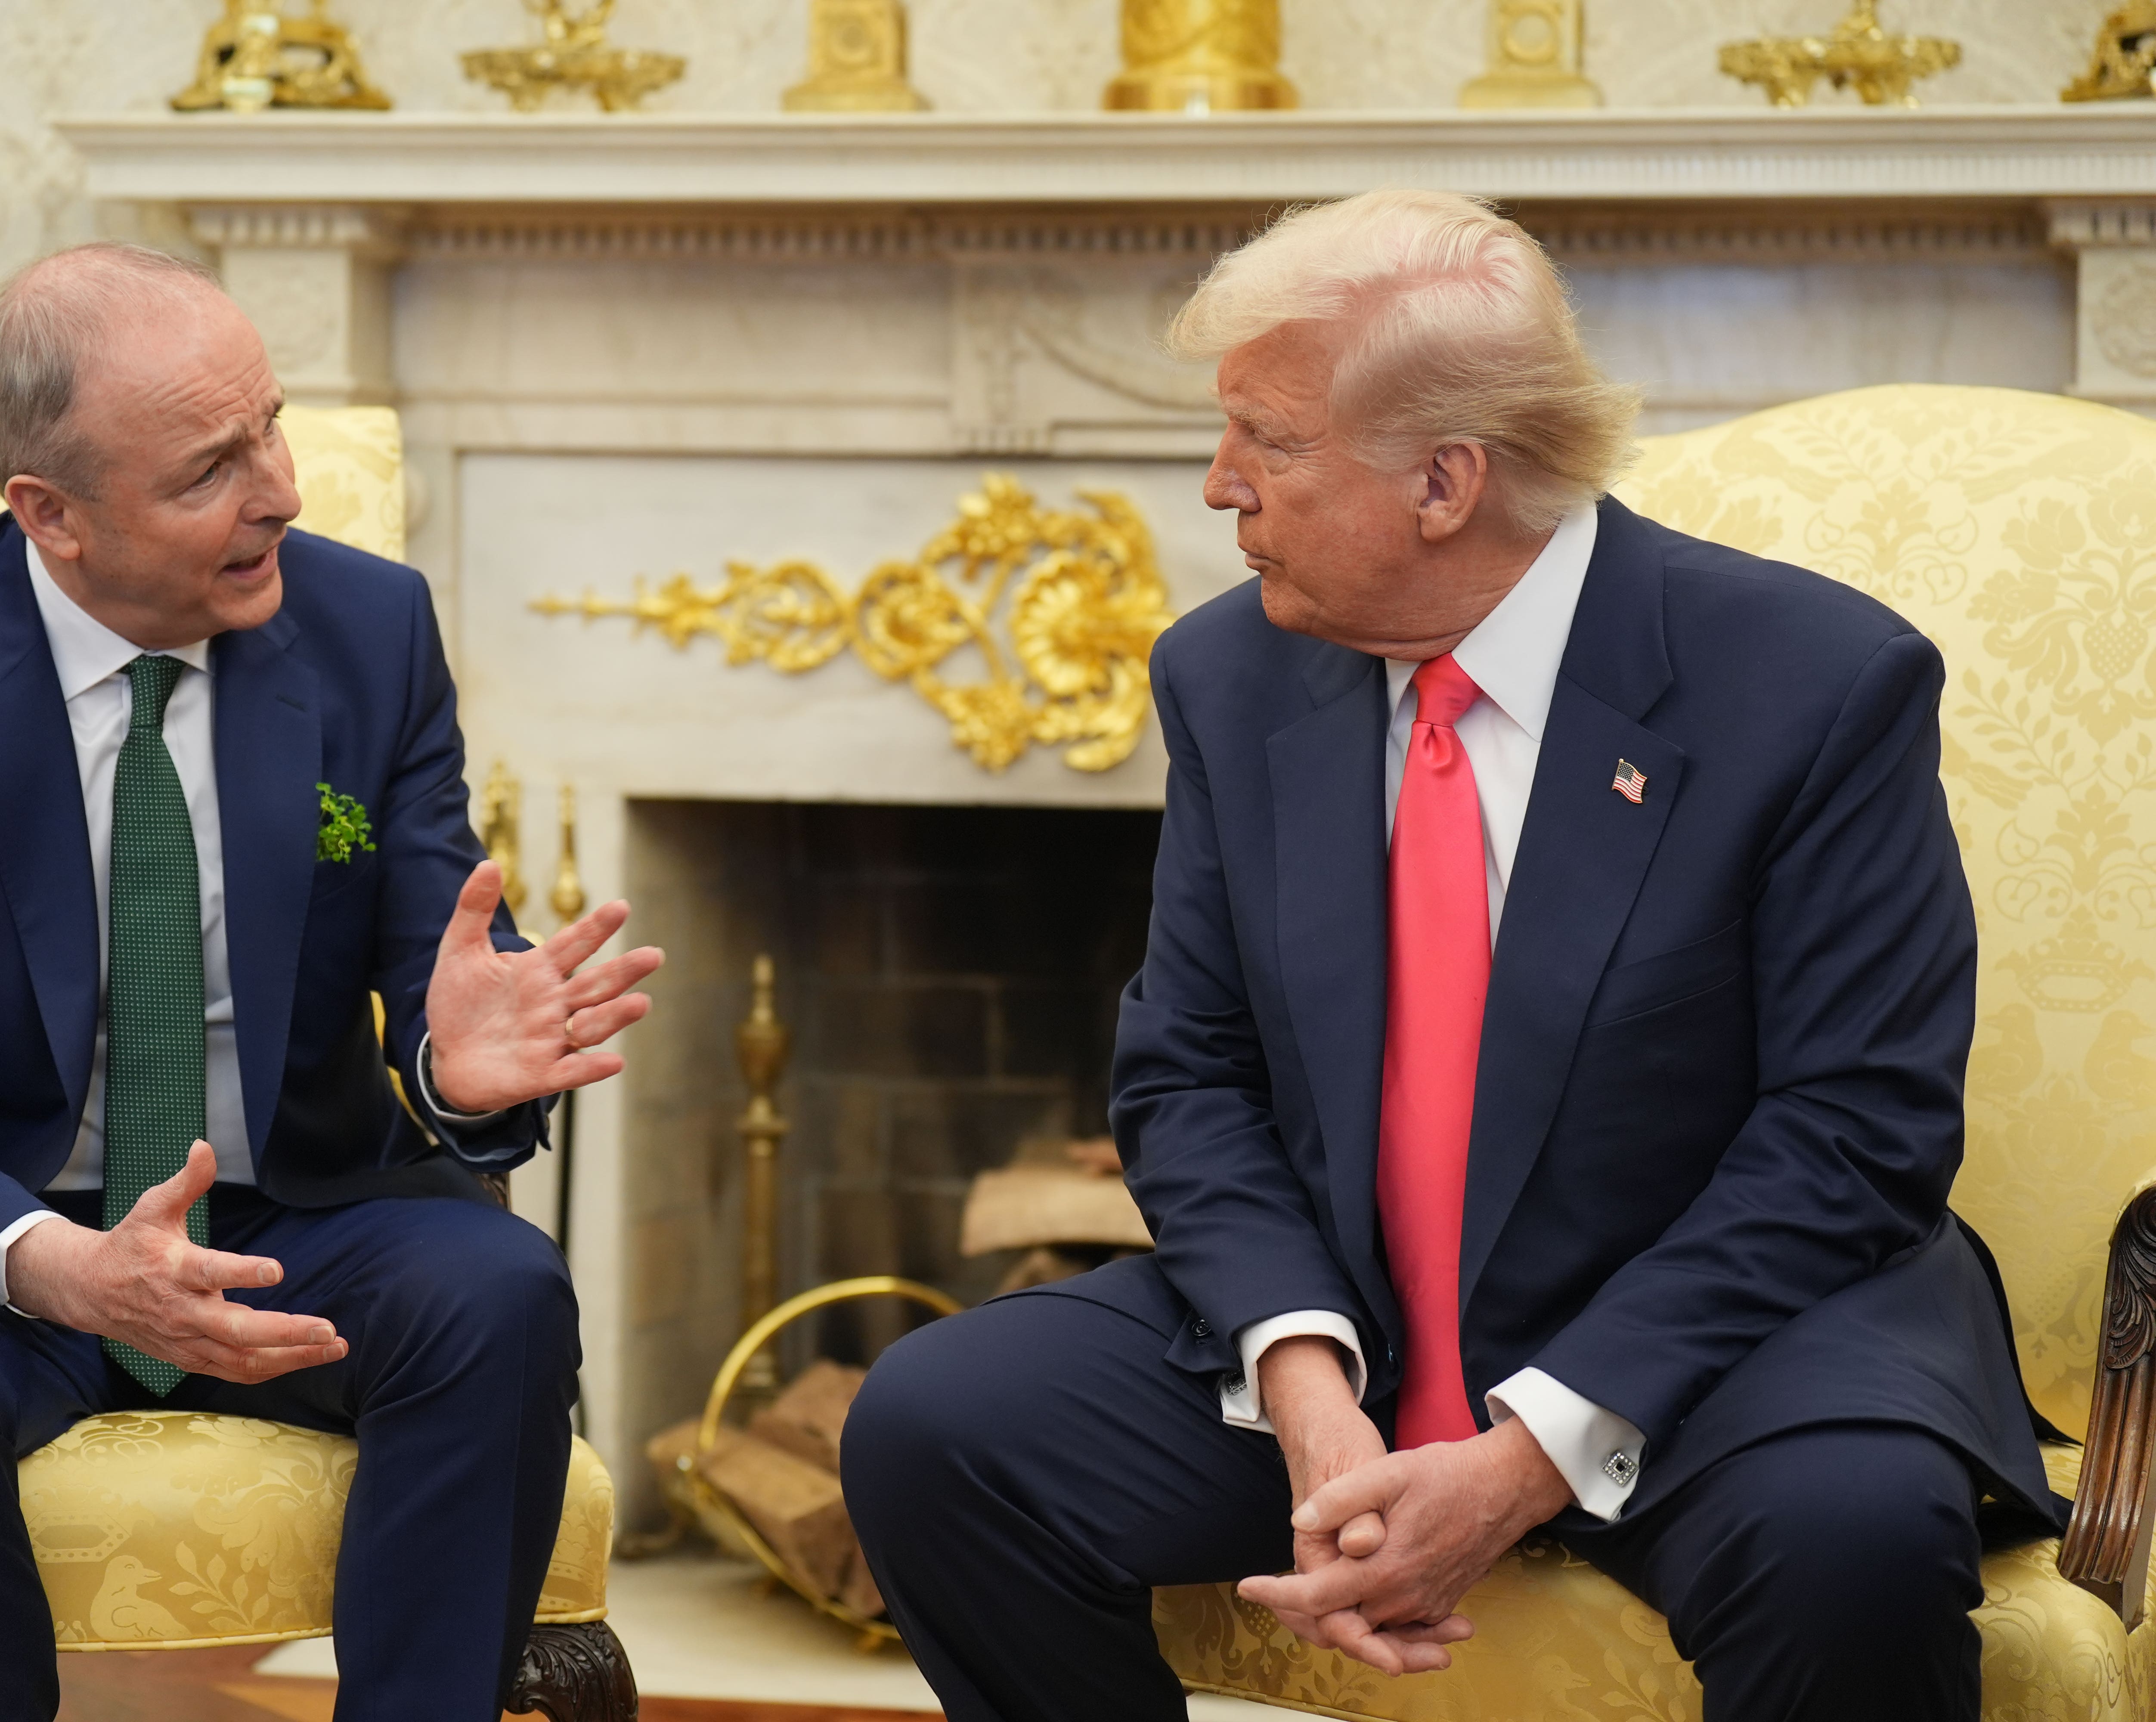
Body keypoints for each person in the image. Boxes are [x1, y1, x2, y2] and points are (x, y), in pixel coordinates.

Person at [842, 189, 2064, 1722]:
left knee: (1851, 1544)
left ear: (1444, 481)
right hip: (1353, 1321)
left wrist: (1528, 1453)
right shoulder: (1230, 671)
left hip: (1720, 1342)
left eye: (1268, 441)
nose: (1221, 485)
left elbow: (1854, 1131)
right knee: (937, 1429)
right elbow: (1190, 1076)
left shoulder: (1815, 684)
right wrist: (1304, 1389)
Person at [0, 242, 660, 1722]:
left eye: (273, 429)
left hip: (289, 1223)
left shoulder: (371, 631)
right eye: (212, 469)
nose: (282, 492)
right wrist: (59, 1264)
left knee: (499, 1291)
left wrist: (457, 1073)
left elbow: (439, 960)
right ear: (51, 516)